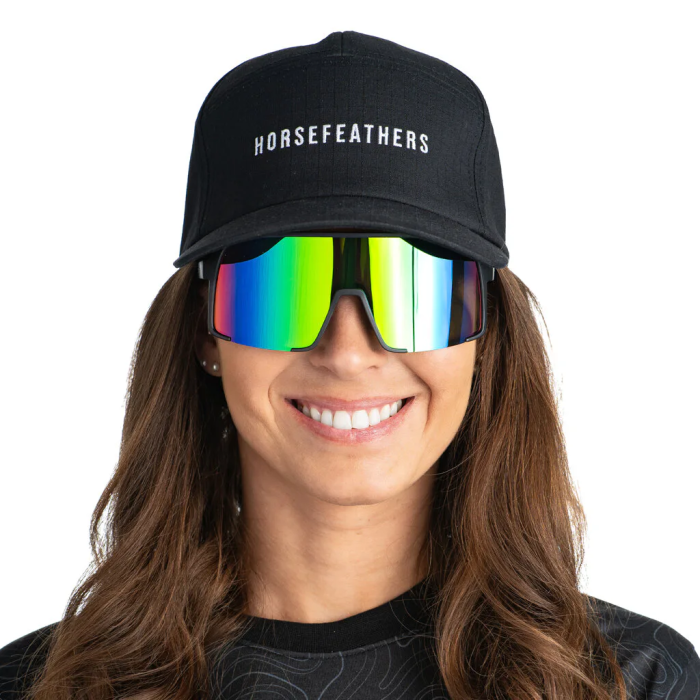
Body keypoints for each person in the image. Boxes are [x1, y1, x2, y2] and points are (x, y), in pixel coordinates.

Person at [1, 29, 698, 700]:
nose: (348, 351)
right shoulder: (42, 685)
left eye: (414, 288)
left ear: (486, 335)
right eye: (282, 286)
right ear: (203, 333)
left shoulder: (632, 682)